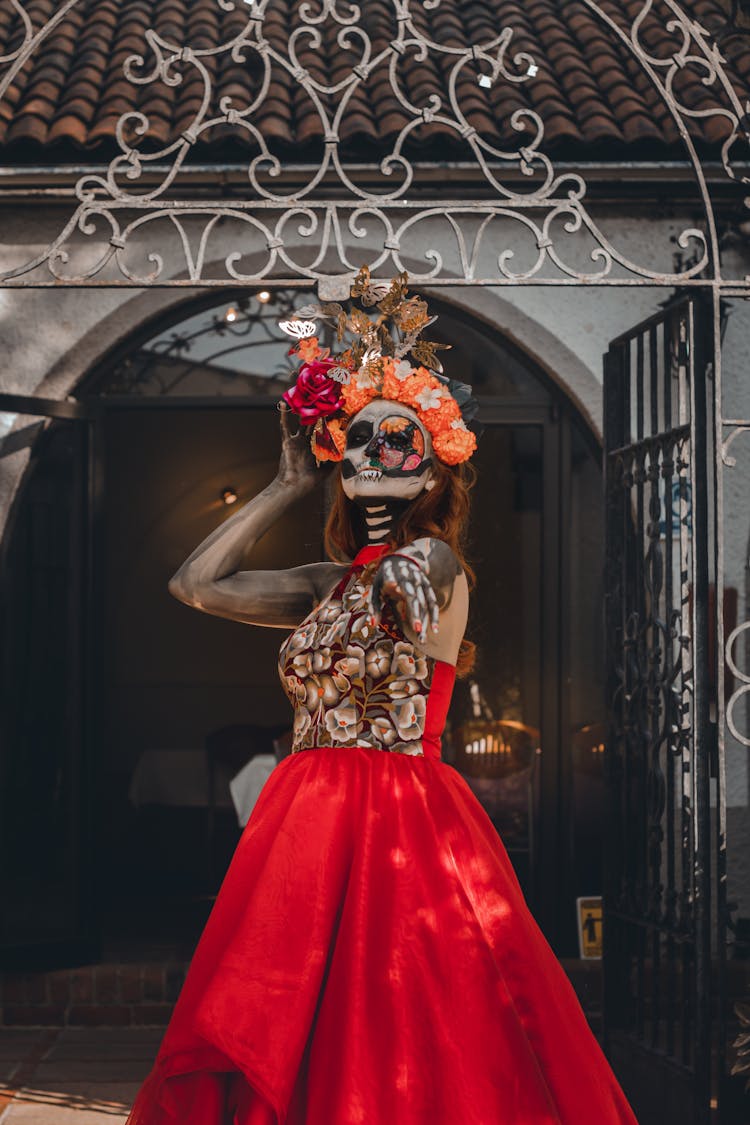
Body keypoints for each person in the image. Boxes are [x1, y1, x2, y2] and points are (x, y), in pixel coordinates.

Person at [125, 270, 638, 1124]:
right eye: (357, 440)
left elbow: (424, 573)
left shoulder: (434, 563)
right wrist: (287, 481)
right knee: (294, 1013)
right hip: (303, 823)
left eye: (397, 441)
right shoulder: (324, 581)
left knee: (395, 1010)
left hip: (397, 814)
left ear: (434, 464)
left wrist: (407, 545)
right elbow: (195, 583)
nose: (373, 455)